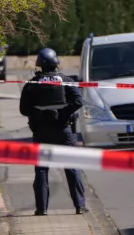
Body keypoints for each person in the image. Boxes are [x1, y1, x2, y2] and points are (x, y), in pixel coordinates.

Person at [19, 48, 87, 216]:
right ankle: (79, 206)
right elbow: (79, 101)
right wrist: (62, 114)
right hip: (64, 130)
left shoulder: (32, 85)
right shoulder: (65, 81)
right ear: (56, 64)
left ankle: (42, 209)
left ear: (40, 65)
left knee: (41, 170)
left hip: (42, 132)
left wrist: (41, 115)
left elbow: (23, 109)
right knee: (71, 168)